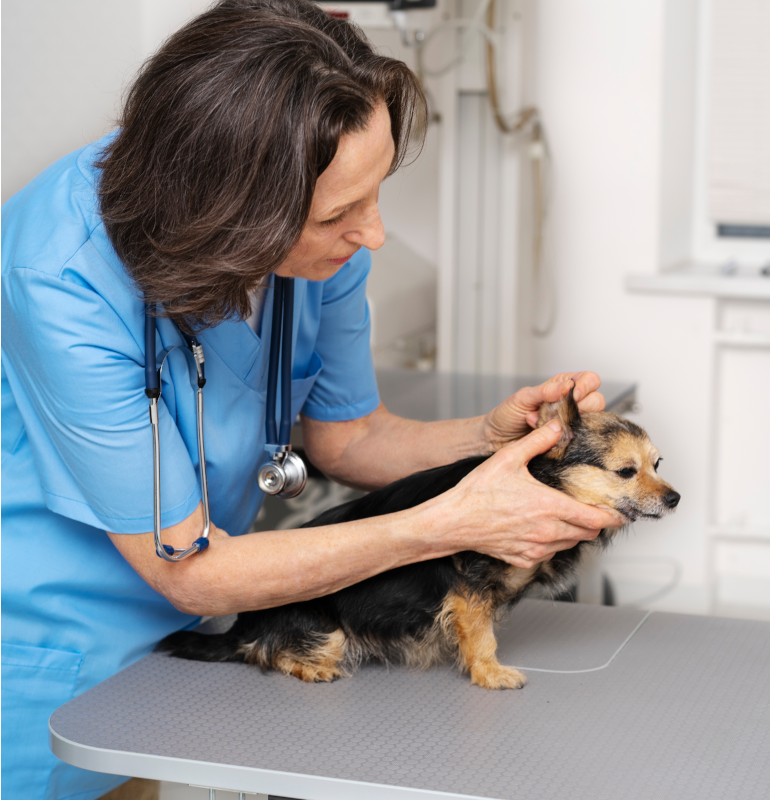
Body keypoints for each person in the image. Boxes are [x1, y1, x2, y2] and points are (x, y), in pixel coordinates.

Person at [0, 2, 622, 798]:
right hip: (41, 648)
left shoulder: (325, 246)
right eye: (338, 214)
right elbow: (190, 569)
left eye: (375, 193)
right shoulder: (60, 276)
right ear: (232, 215)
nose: (375, 234)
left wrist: (489, 438)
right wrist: (449, 522)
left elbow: (350, 437)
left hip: (177, 644)